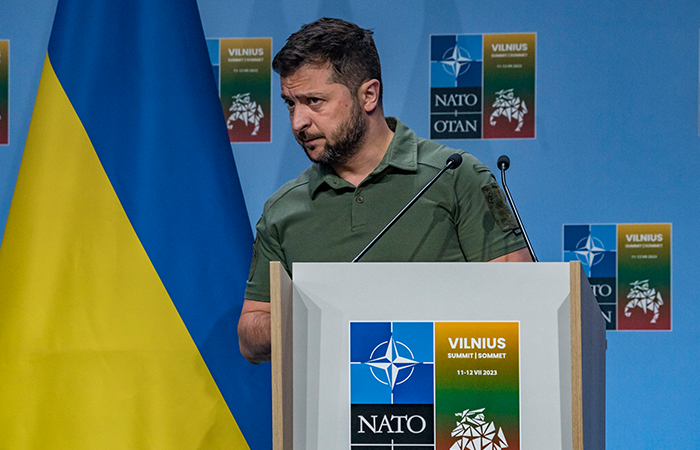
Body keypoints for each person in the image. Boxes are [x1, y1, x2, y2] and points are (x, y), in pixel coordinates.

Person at [238, 18, 531, 364]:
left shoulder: (454, 176)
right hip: (332, 415)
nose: (298, 122)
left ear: (369, 95)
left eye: (314, 101)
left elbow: (522, 303)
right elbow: (250, 333)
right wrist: (306, 318)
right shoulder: (282, 210)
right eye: (290, 103)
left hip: (451, 406)